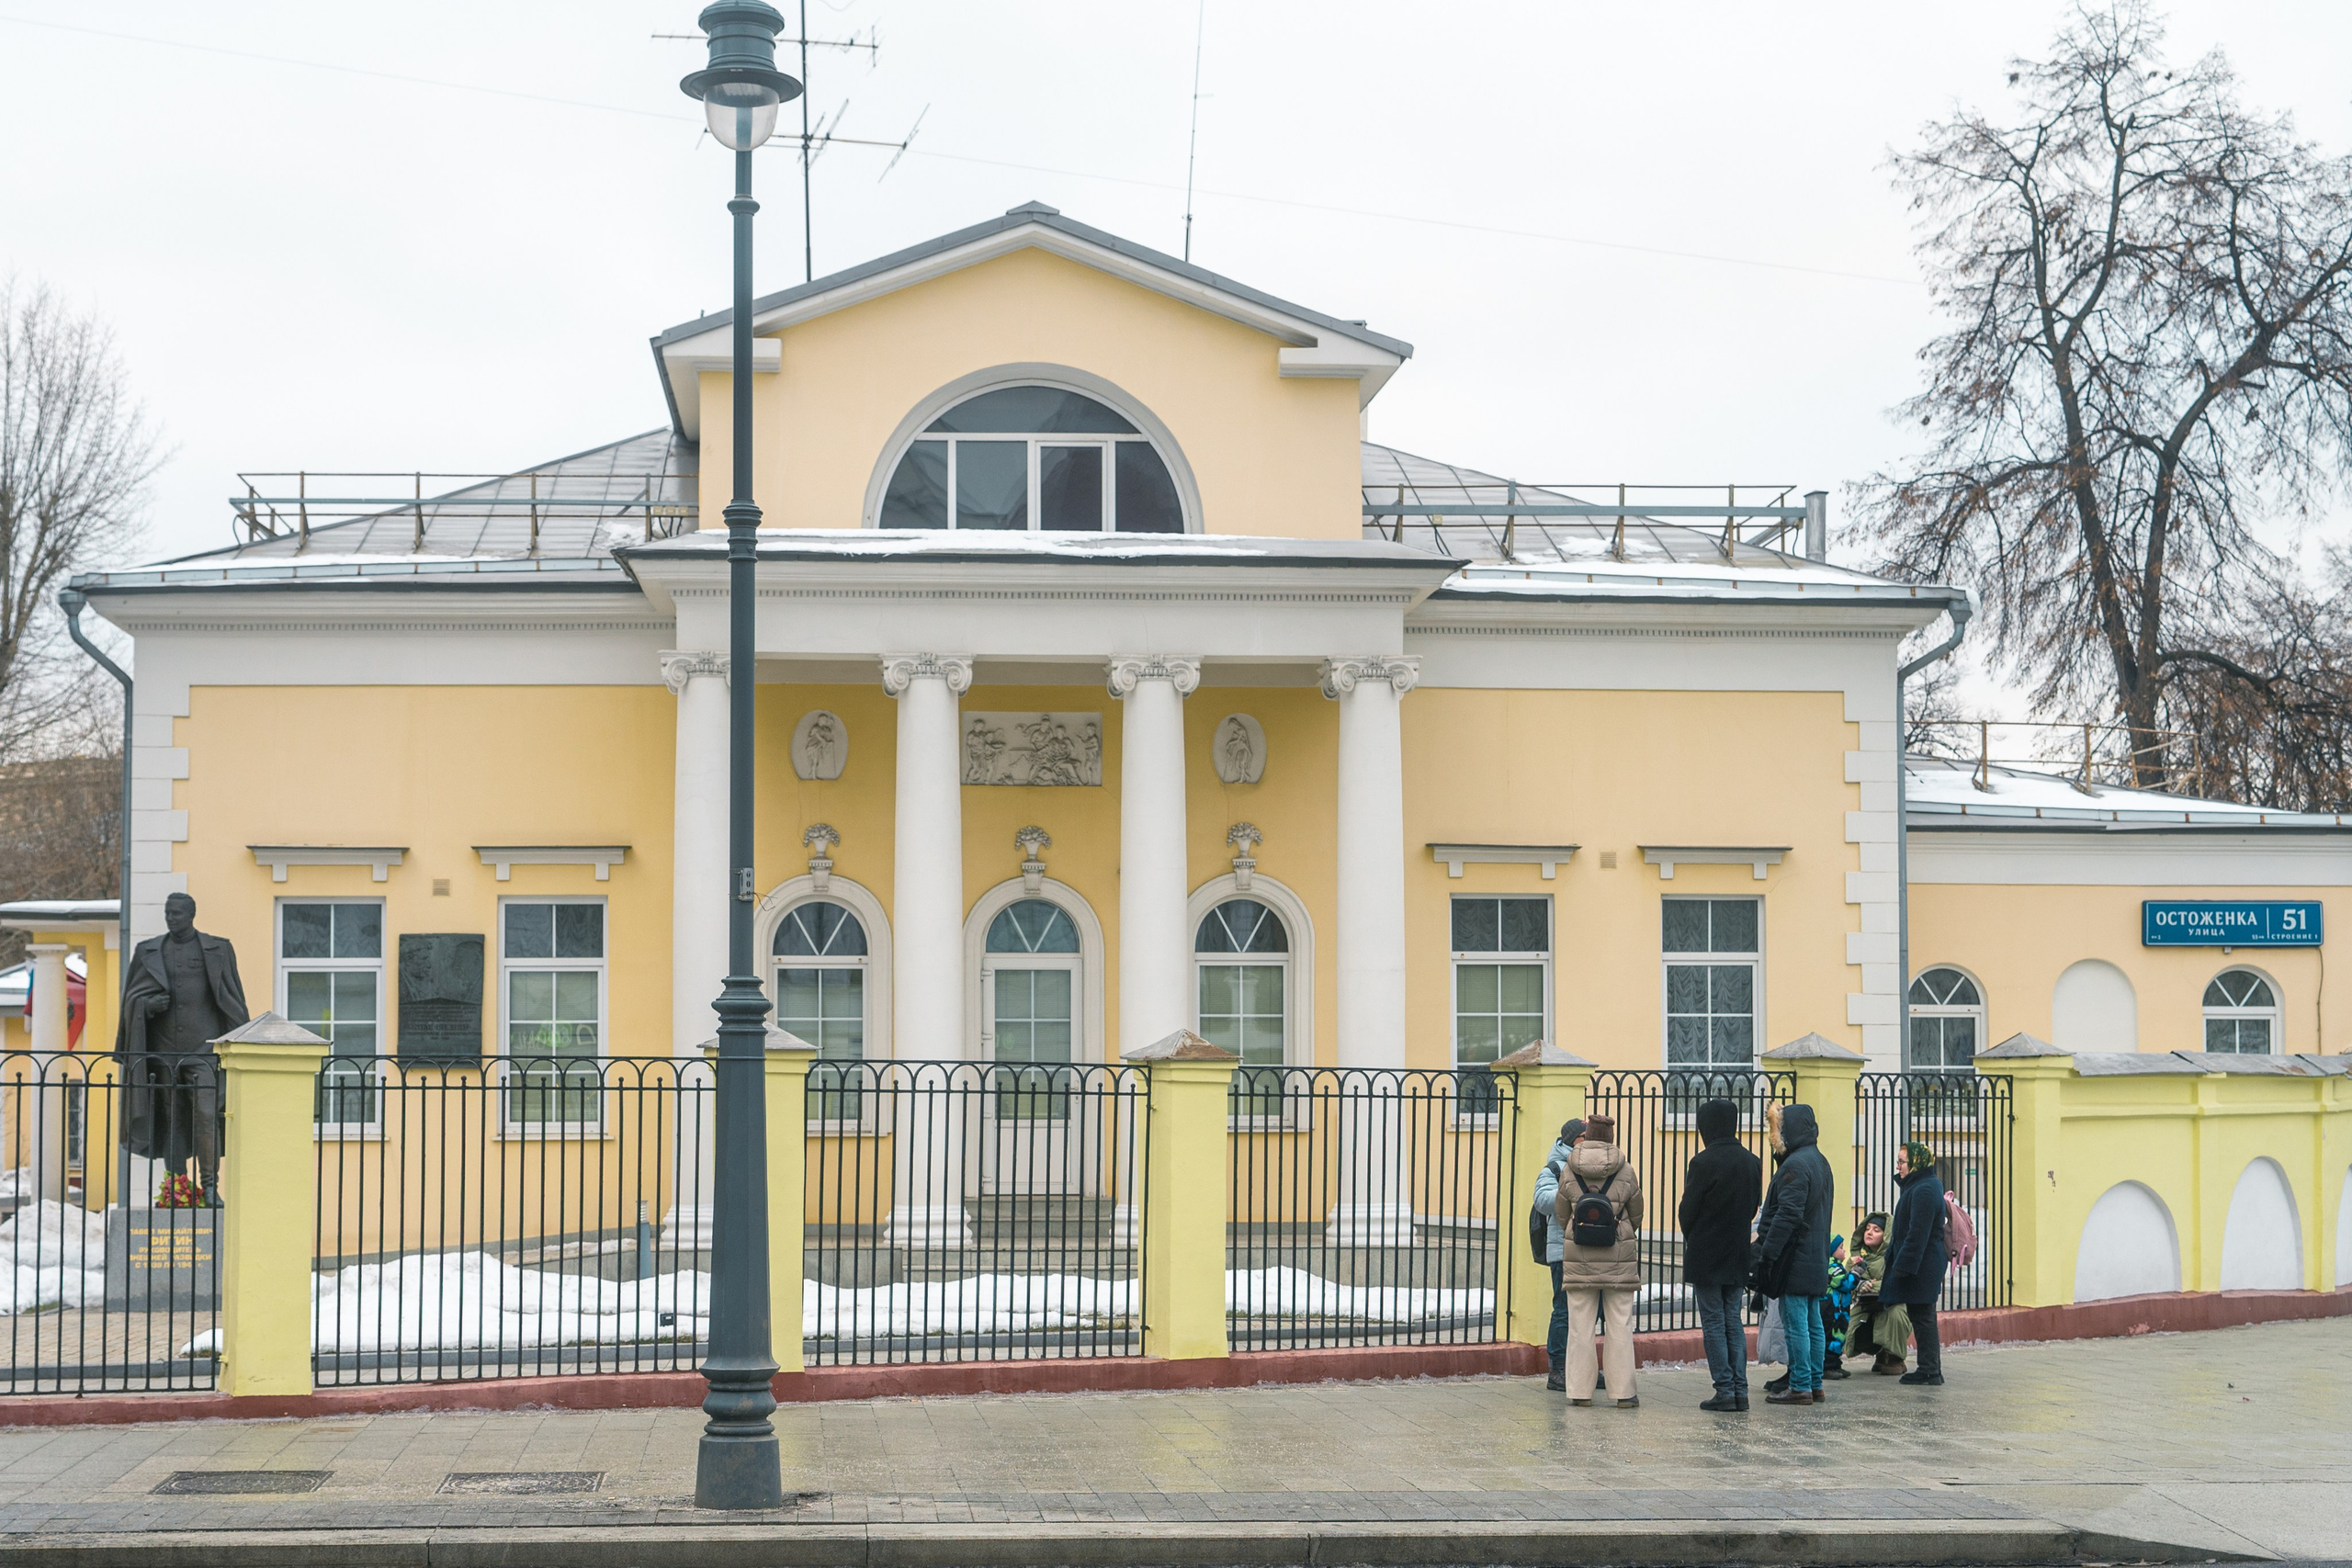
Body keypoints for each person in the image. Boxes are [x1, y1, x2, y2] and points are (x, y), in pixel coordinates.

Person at [115, 891, 251, 1203]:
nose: (170, 918)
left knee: (206, 1116)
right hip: (162, 1054)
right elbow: (131, 1001)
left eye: (176, 913)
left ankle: (210, 1186)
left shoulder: (217, 949)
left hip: (203, 1053)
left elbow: (231, 999)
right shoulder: (148, 951)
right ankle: (176, 1187)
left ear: (191, 914)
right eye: (167, 912)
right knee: (171, 1119)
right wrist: (147, 1005)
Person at [1677, 1097, 1761, 1412]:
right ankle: (1740, 1390)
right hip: (1738, 1251)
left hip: (1707, 1252)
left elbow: (1688, 1211)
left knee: (1713, 1321)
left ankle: (1724, 1389)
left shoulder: (1702, 1162)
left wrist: (1696, 1234)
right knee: (1733, 1320)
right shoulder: (1752, 1161)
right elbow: (1754, 1206)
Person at [1556, 1112, 1643, 1408]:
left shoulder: (1570, 1168)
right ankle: (1623, 1394)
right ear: (1610, 1138)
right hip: (1618, 1256)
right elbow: (1638, 1212)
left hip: (1579, 1255)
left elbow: (1561, 1214)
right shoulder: (1625, 1169)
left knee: (1580, 1325)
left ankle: (1580, 1392)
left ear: (1588, 1135)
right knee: (1619, 1324)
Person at [1750, 1101, 1834, 1406]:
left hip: (1796, 1260)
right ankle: (1813, 1383)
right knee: (1812, 1322)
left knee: (1797, 1323)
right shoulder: (1819, 1161)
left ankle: (1800, 1385)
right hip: (1815, 1258)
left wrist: (1767, 1254)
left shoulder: (1797, 1165)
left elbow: (1787, 1215)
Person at [1885, 1140, 1950, 1387]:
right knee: (1922, 1314)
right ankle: (1929, 1369)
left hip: (1923, 1264)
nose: (1898, 1166)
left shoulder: (1924, 1189)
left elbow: (1917, 1234)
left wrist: (1903, 1266)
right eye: (1899, 1161)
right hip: (1922, 1262)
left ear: (1916, 1164)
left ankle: (1930, 1371)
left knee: (1923, 1315)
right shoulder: (1920, 1185)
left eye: (1902, 1162)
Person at [1529, 1117, 1586, 1392]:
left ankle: (1583, 1368)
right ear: (1573, 1140)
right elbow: (1541, 1200)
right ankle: (1558, 1370)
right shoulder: (1554, 1167)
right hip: (1562, 1250)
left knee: (1587, 1312)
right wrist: (1574, 1195)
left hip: (1589, 1247)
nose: (1589, 1141)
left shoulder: (1591, 1164)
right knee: (1563, 1310)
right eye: (1584, 1136)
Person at [1840, 1213, 1906, 1373]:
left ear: (1886, 1235)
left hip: (1892, 1304)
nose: (1869, 1232)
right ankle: (1879, 1354)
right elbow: (1846, 1281)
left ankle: (1895, 1358)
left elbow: (1895, 1282)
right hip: (1867, 1305)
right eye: (1867, 1228)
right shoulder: (1858, 1257)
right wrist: (1860, 1282)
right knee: (1848, 1323)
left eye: (1876, 1230)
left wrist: (1871, 1285)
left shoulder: (1894, 1256)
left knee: (1893, 1314)